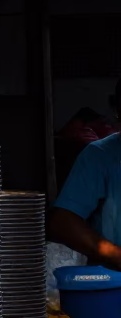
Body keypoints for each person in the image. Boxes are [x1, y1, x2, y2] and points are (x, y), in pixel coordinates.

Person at [49, 79, 121, 267]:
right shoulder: (100, 155)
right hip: (113, 283)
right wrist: (114, 255)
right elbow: (63, 222)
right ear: (117, 112)